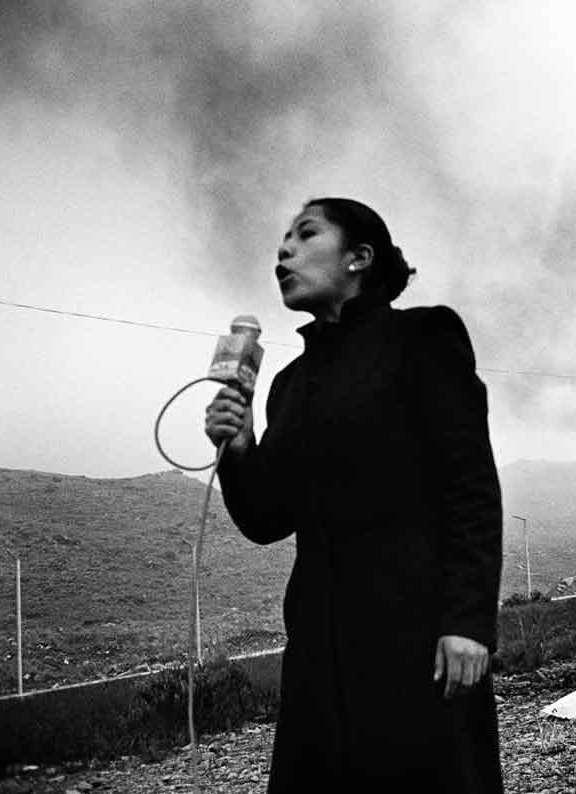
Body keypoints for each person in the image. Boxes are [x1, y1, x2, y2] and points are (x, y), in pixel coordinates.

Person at [204, 198, 503, 792]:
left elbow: (469, 484)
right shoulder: (288, 387)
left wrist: (468, 621)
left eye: (305, 234)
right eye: (283, 238)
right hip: (320, 649)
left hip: (418, 638)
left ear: (360, 257)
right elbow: (267, 518)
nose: (283, 250)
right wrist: (239, 447)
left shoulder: (423, 337)